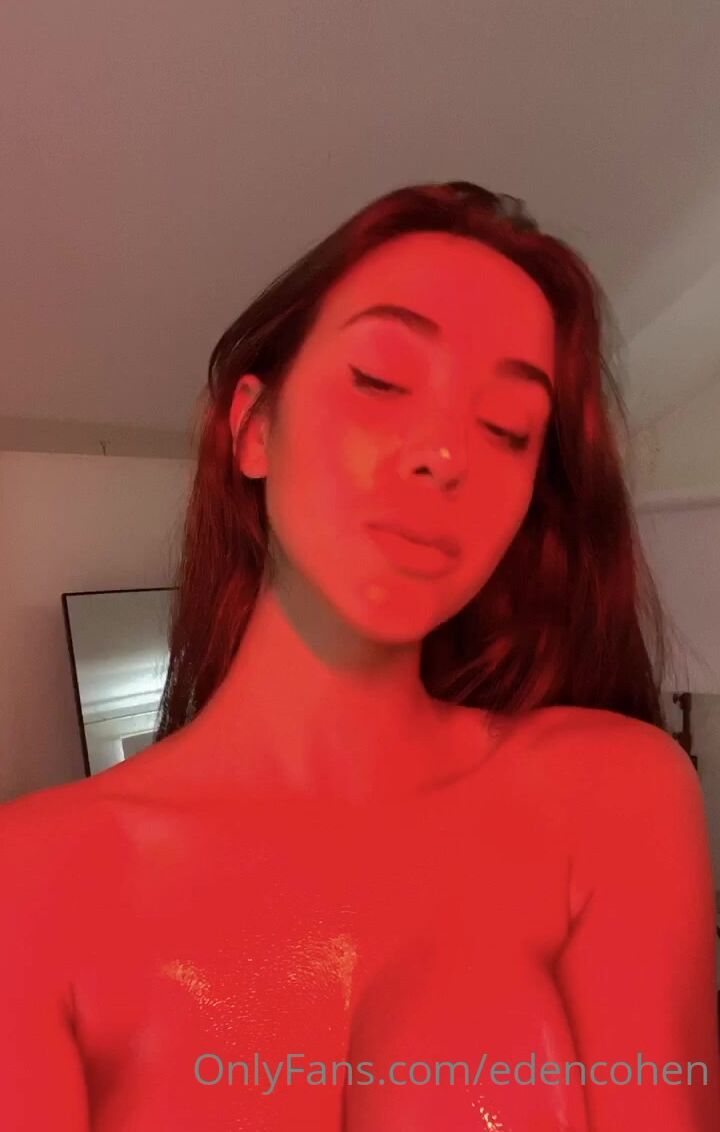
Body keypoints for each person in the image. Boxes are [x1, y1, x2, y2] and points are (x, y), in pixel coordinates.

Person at [1, 180, 718, 1131]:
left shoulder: (611, 793)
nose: (446, 455)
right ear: (254, 428)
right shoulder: (32, 879)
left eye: (507, 430)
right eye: (381, 379)